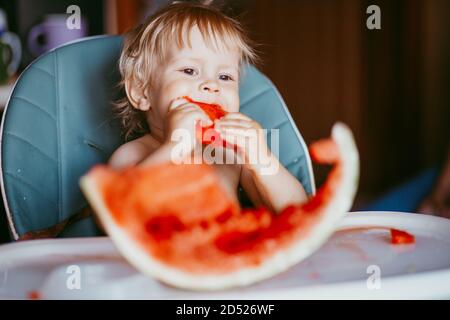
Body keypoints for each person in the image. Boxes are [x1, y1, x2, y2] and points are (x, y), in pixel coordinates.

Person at [108, 1, 308, 213]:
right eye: (189, 70)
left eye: (224, 76)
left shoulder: (230, 157)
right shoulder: (133, 155)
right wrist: (175, 147)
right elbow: (117, 213)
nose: (212, 85)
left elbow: (298, 211)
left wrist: (261, 158)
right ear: (141, 92)